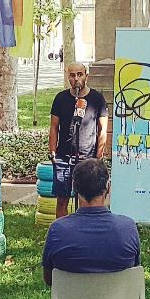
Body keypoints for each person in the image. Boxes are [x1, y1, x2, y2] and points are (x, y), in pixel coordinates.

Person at [40, 159, 140, 299]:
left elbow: (49, 280)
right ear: (108, 187)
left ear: (74, 188)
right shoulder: (128, 228)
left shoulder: (58, 230)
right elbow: (133, 271)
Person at [48, 62, 109, 218]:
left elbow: (102, 129)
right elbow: (54, 127)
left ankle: (83, 228)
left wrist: (98, 157)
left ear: (86, 76)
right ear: (68, 77)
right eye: (72, 75)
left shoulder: (97, 98)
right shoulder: (60, 98)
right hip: (63, 157)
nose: (76, 78)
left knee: (86, 200)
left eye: (80, 74)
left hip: (88, 158)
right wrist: (52, 151)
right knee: (62, 200)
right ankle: (62, 229)